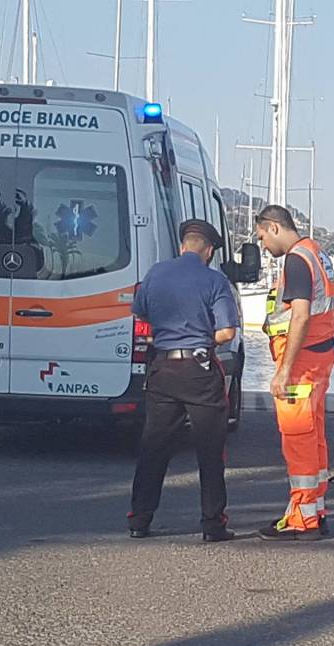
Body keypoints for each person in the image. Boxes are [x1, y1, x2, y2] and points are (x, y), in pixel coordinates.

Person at [128, 219, 239, 542]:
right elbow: (227, 332)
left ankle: (139, 519)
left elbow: (140, 313)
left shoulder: (155, 273)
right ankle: (212, 524)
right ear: (208, 251)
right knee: (209, 449)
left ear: (182, 246)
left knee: (154, 447)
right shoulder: (214, 281)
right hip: (199, 371)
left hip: (163, 368)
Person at [255, 205, 334, 541]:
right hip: (321, 356)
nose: (262, 245)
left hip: (302, 364)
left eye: (262, 236)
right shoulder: (316, 253)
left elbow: (300, 316)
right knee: (313, 436)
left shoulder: (296, 259)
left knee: (298, 439)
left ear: (274, 227)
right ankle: (314, 511)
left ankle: (303, 520)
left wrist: (284, 371)